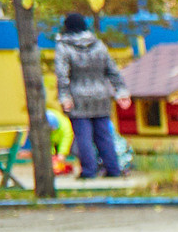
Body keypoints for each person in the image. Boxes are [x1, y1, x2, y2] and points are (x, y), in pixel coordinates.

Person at [53, 13, 128, 179]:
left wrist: (65, 97)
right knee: (104, 135)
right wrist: (121, 91)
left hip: (78, 96)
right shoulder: (98, 44)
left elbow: (62, 74)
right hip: (101, 95)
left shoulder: (64, 47)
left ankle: (89, 171)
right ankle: (113, 170)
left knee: (83, 136)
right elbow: (112, 70)